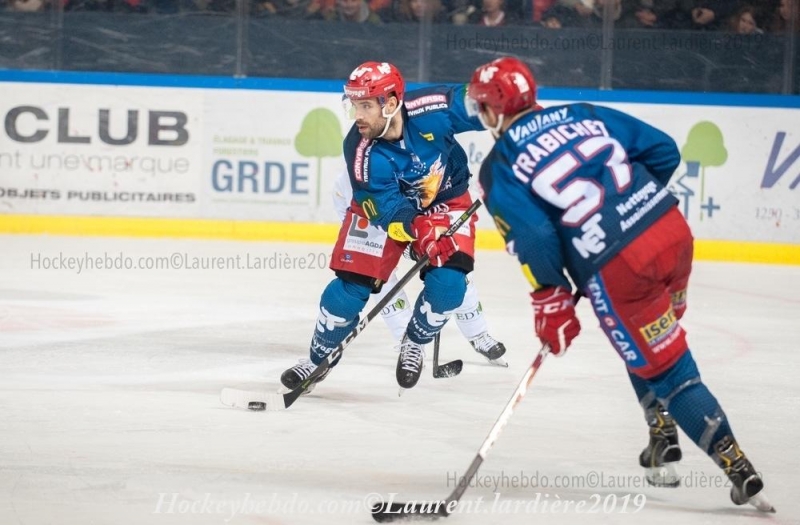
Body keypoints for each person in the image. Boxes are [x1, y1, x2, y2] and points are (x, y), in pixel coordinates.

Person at [465, 57, 774, 513]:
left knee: (668, 368)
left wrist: (551, 295)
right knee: (646, 340)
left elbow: (534, 236)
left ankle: (737, 466)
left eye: (481, 107)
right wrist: (629, 207)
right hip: (672, 235)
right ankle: (661, 431)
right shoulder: (582, 113)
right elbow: (664, 151)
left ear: (494, 109)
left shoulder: (500, 164)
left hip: (621, 268)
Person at [281, 61, 499, 394]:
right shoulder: (360, 150)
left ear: (392, 103)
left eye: (366, 106)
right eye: (354, 105)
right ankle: (317, 360)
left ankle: (415, 341)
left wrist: (526, 123)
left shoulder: (432, 109)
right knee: (346, 291)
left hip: (446, 199)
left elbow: (489, 101)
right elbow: (384, 208)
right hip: (393, 211)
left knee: (449, 286)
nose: (357, 116)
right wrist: (418, 228)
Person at [331, 168, 508, 365]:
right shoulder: (354, 181)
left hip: (425, 219)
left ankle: (478, 333)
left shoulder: (422, 162)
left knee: (454, 267)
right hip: (383, 223)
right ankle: (408, 343)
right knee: (376, 276)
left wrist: (431, 235)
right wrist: (410, 250)